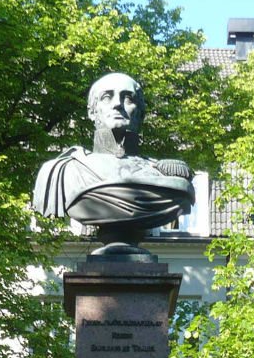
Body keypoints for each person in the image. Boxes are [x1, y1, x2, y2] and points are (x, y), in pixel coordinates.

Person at [32, 72, 195, 244]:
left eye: (128, 99)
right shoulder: (62, 171)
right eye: (107, 97)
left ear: (141, 113)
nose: (117, 104)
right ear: (92, 112)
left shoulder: (164, 174)